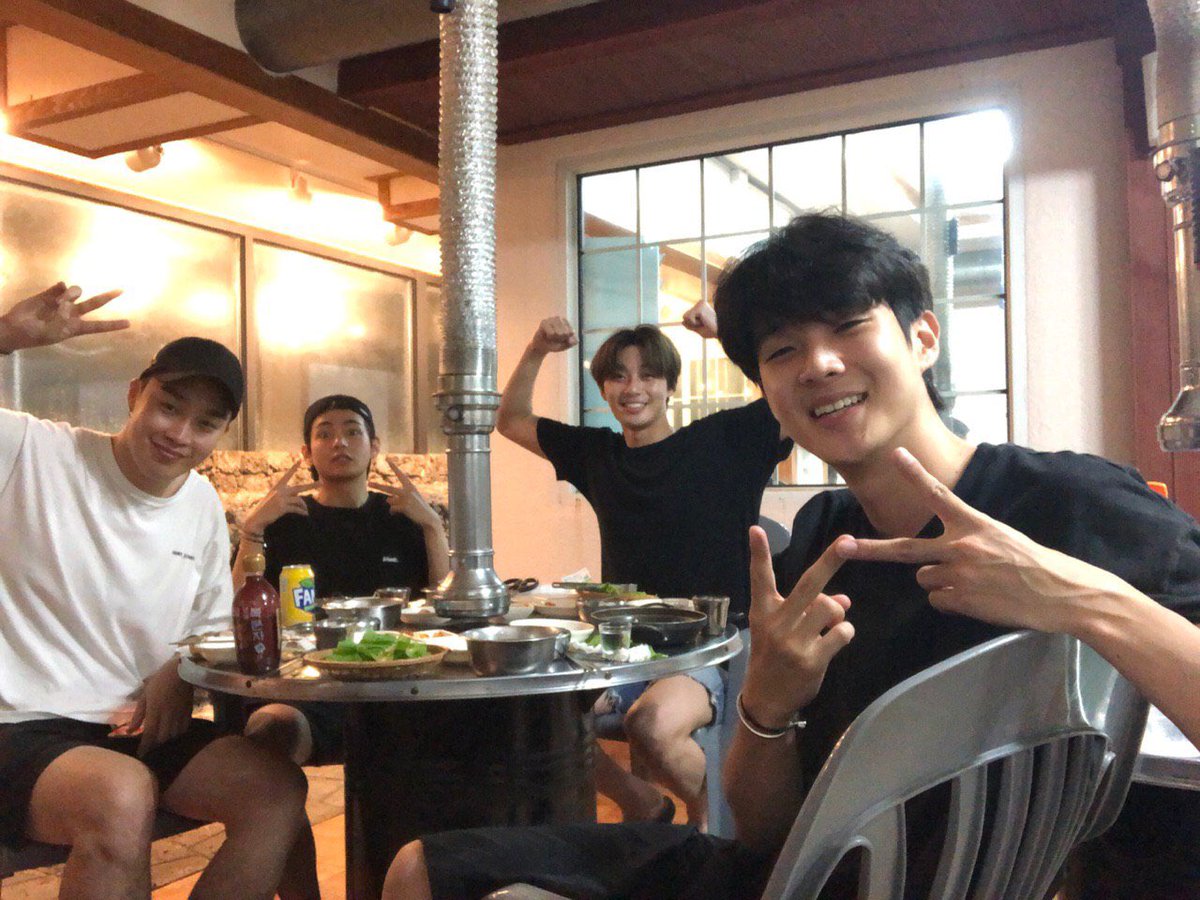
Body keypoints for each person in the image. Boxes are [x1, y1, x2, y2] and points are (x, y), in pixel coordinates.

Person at [382, 212, 1200, 900]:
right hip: (792, 872)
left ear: (922, 337)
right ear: (768, 395)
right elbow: (766, 830)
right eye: (782, 352)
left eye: (849, 326)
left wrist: (1084, 599)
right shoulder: (824, 538)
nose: (819, 365)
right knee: (421, 871)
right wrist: (765, 707)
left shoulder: (1068, 505)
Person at [0, 283, 318, 899]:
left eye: (206, 423)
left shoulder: (200, 503)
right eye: (169, 407)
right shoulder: (34, 452)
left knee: (276, 789)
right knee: (121, 794)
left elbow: (207, 625)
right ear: (134, 395)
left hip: (133, 728)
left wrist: (178, 668)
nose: (181, 433)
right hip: (21, 721)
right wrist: (6, 337)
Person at [496, 306, 791, 826]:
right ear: (604, 390)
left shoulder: (723, 441)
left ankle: (720, 832)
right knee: (537, 721)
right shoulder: (598, 455)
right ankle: (643, 803)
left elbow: (787, 398)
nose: (633, 388)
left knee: (650, 724)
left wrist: (728, 335)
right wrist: (537, 349)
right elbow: (511, 420)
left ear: (670, 386)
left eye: (649, 375)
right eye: (618, 376)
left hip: (715, 643)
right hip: (625, 645)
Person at [231, 393, 450, 765]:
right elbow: (239, 604)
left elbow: (442, 604)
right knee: (272, 726)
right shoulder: (284, 521)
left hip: (398, 682)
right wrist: (253, 527)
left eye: (353, 432)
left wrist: (432, 526)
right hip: (305, 684)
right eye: (324, 434)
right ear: (306, 452)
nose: (339, 443)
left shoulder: (403, 517)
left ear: (374, 446)